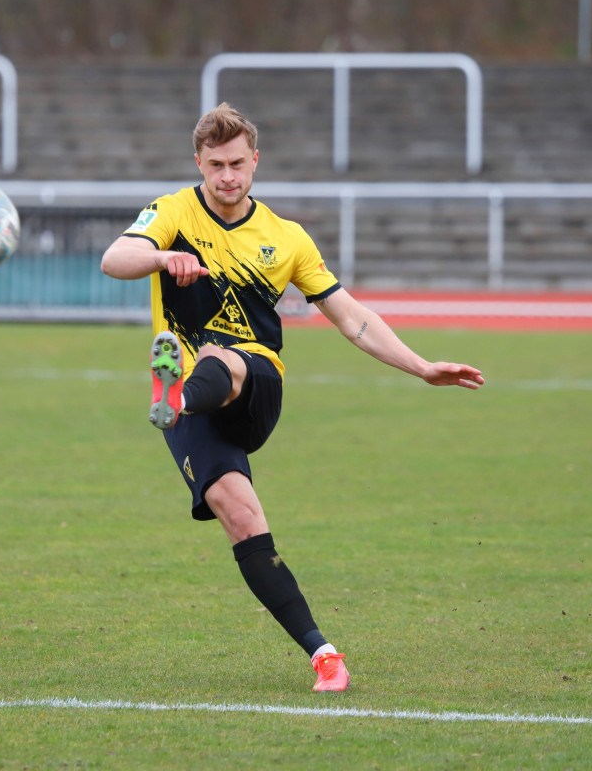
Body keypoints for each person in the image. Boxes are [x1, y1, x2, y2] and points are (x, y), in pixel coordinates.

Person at [100, 103, 484, 692]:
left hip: (256, 383)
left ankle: (176, 396)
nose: (227, 176)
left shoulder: (286, 238)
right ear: (198, 164)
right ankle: (324, 655)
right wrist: (161, 255)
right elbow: (114, 258)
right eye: (215, 166)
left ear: (255, 160)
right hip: (189, 407)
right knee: (240, 516)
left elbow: (351, 317)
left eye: (236, 164)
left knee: (219, 355)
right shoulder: (173, 211)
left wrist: (421, 366)